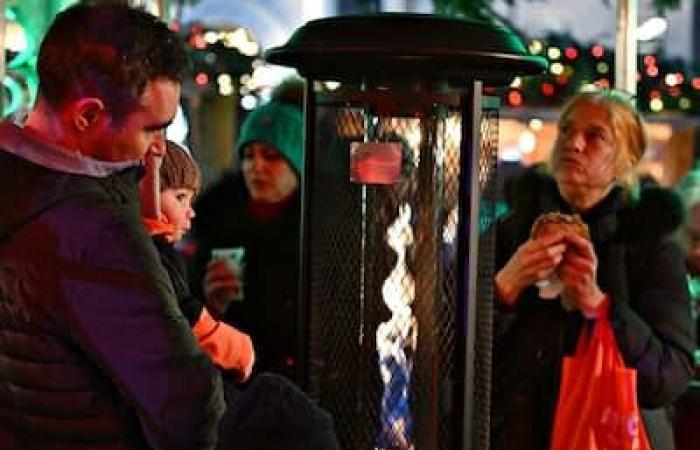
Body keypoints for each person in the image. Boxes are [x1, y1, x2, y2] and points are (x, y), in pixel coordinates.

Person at [0, 4, 225, 449]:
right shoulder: (91, 231)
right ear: (86, 116)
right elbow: (185, 404)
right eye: (151, 130)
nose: (160, 147)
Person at [492, 89, 696, 450]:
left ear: (627, 158)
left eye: (595, 136)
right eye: (567, 131)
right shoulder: (510, 234)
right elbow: (446, 353)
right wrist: (503, 289)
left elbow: (670, 377)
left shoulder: (649, 246)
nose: (574, 144)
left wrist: (600, 306)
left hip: (611, 435)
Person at [189, 98, 304, 380]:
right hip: (236, 384)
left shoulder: (320, 229)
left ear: (298, 161)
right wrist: (211, 306)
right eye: (249, 155)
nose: (256, 166)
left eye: (271, 155)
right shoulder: (218, 224)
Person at [139, 140, 255, 381]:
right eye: (180, 197)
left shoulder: (144, 247)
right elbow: (187, 319)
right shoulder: (156, 253)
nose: (190, 211)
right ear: (146, 190)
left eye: (191, 200)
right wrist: (239, 350)